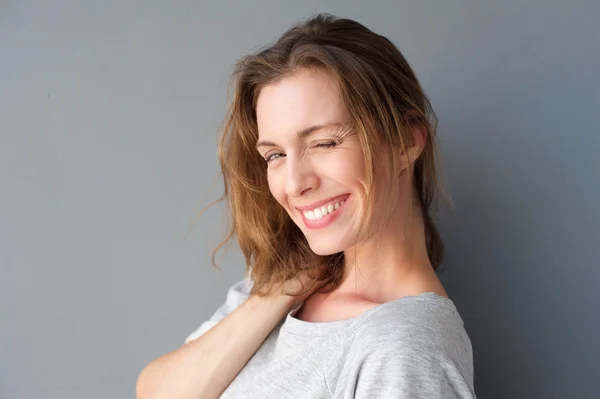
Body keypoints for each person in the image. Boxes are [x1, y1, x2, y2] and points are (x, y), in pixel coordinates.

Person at [136, 13, 476, 399]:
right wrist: (276, 297)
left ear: (407, 142)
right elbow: (156, 392)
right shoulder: (284, 281)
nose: (295, 184)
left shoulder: (404, 350)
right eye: (276, 155)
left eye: (325, 143)